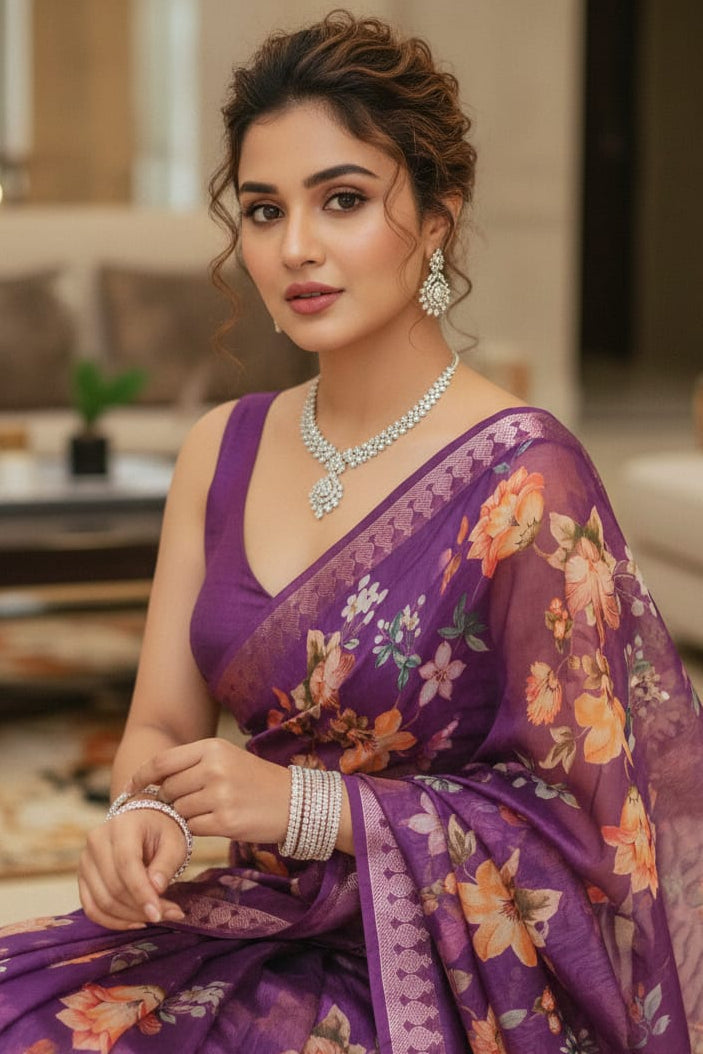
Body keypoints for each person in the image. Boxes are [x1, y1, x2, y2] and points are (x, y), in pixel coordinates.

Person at [0, 11, 701, 1053]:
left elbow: (590, 832)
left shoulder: (524, 477)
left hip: (440, 974)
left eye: (342, 200)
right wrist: (142, 819)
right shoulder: (219, 447)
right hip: (246, 928)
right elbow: (155, 735)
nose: (295, 248)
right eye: (263, 209)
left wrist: (310, 808)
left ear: (434, 220)